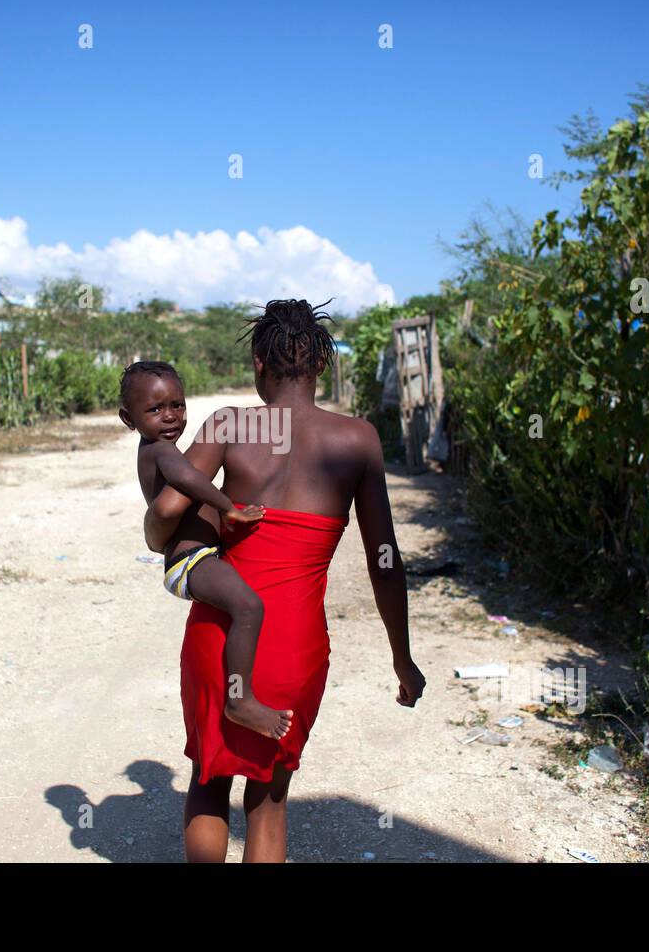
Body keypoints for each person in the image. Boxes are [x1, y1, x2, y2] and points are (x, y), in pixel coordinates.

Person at [144, 299, 426, 863]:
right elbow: (385, 558)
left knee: (208, 780)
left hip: (221, 637)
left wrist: (164, 528)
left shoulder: (229, 424)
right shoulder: (360, 440)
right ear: (321, 364)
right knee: (269, 803)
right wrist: (403, 657)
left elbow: (163, 523)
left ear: (257, 361)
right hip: (294, 646)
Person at [120, 360, 293, 740]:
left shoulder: (163, 448)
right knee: (248, 605)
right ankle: (239, 699)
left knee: (245, 606)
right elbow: (187, 479)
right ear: (127, 419)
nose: (169, 417)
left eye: (177, 406)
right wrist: (229, 507)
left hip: (196, 558)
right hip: (191, 560)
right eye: (154, 410)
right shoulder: (160, 451)